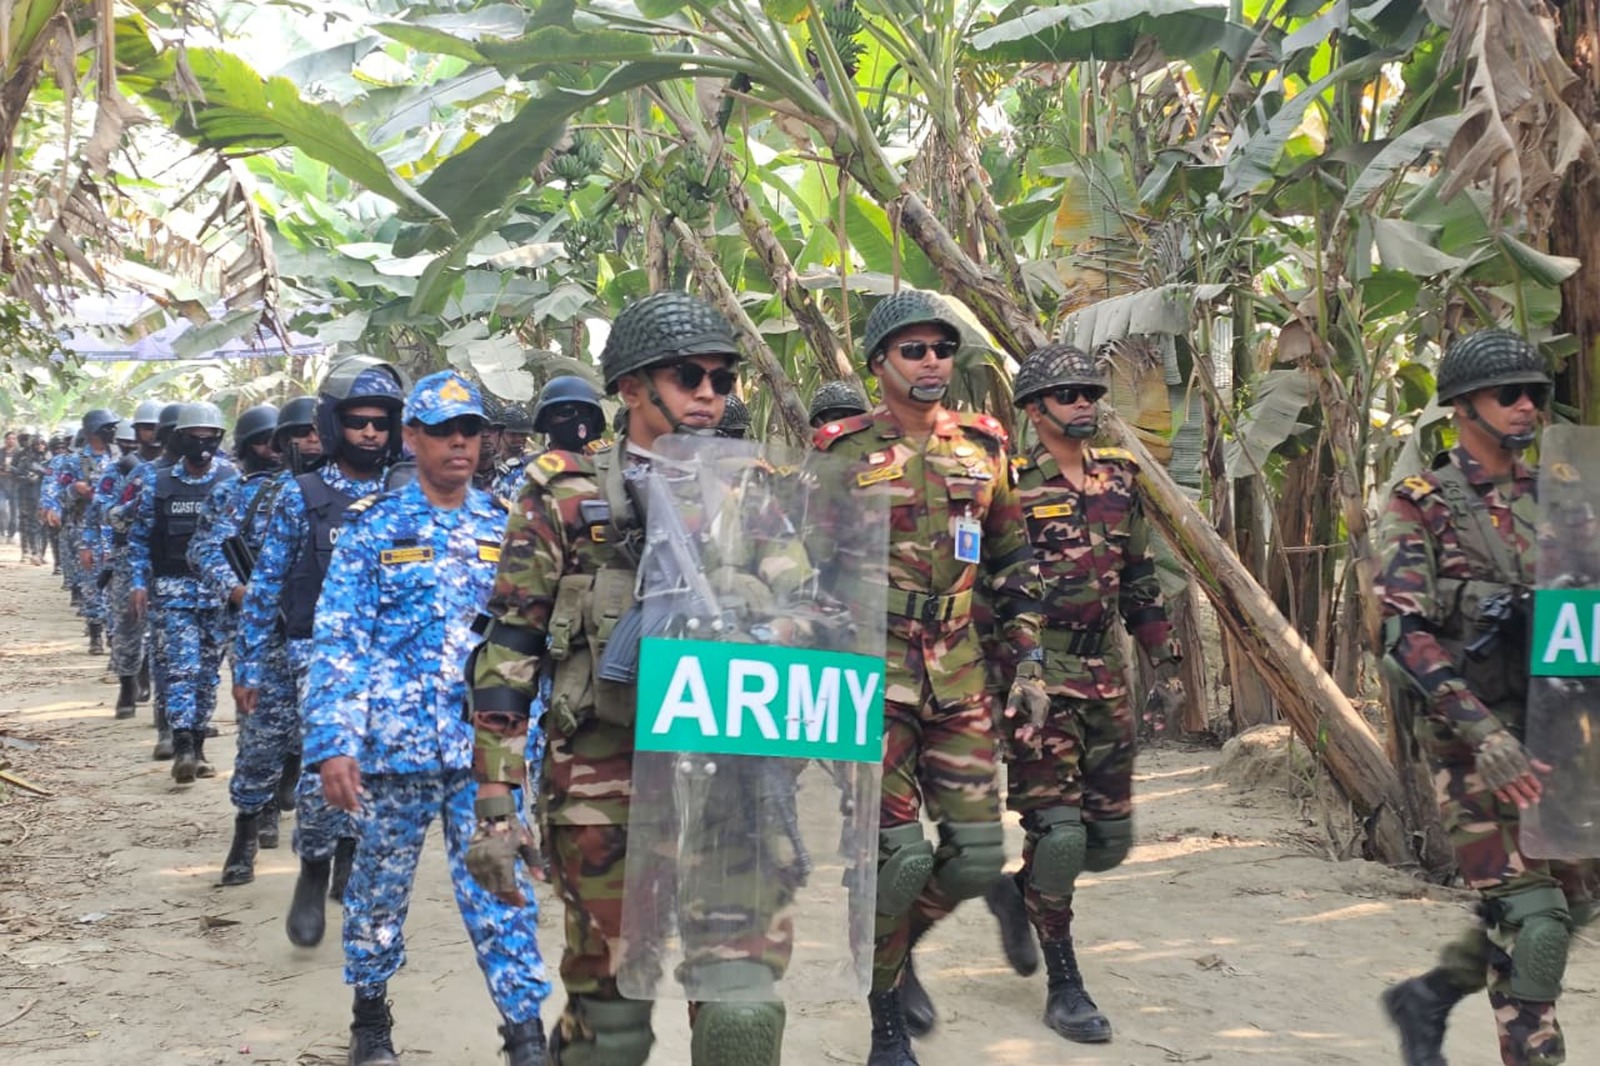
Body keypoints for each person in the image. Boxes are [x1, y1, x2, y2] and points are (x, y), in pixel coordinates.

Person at [466, 291, 801, 1066]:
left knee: (742, 1013)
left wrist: (767, 630)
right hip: (603, 779)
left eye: (723, 379)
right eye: (689, 376)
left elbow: (809, 608)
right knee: (610, 1017)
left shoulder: (748, 491)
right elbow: (508, 649)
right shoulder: (566, 493)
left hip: (730, 776)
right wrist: (495, 801)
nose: (711, 394)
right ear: (631, 390)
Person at [812, 288, 1046, 1066]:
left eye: (942, 349)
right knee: (895, 858)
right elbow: (798, 563)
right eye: (913, 350)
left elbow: (1011, 559)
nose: (932, 362)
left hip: (958, 671)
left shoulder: (983, 446)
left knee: (977, 853)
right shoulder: (841, 453)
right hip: (869, 674)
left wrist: (1029, 659)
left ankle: (898, 939)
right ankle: (886, 1024)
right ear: (879, 363)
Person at [304, 370, 549, 1066]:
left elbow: (531, 638)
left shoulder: (506, 527)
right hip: (392, 753)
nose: (459, 444)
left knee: (502, 891)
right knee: (377, 896)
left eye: (469, 430)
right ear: (412, 438)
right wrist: (333, 742)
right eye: (442, 431)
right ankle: (371, 1019)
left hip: (485, 755)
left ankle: (524, 1034)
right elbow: (342, 639)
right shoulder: (372, 528)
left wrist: (536, 736)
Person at [1379, 328, 1592, 1066]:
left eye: (1536, 392)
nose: (1527, 405)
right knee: (1533, 923)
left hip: (1557, 732)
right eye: (1510, 394)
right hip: (1469, 739)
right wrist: (1485, 736)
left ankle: (1431, 994)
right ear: (1463, 407)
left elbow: (1583, 615)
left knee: (1573, 898)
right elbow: (1406, 635)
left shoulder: (1562, 496)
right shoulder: (1422, 504)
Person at [968, 342, 1185, 1045]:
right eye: (1069, 395)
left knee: (1106, 839)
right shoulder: (1005, 484)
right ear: (1035, 410)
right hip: (1033, 681)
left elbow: (1141, 579)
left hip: (1105, 679)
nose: (1085, 403)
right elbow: (983, 589)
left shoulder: (1121, 480)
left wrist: (1166, 666)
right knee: (1059, 832)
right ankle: (1066, 985)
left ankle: (1017, 891)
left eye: (1092, 392)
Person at [235, 359, 403, 947]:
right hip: (317, 655)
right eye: (358, 422)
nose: (371, 434)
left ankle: (350, 861)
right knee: (322, 772)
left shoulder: (406, 497)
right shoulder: (298, 495)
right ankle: (312, 867)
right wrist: (249, 663)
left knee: (379, 775)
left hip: (391, 657)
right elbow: (266, 585)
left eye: (381, 423)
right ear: (334, 425)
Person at [188, 403, 289, 882]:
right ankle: (247, 829)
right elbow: (204, 548)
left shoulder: (310, 491)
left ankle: (281, 801)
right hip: (256, 630)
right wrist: (235, 588)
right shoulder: (231, 494)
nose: (275, 450)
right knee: (259, 735)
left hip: (313, 627)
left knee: (311, 734)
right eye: (265, 441)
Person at [127, 402, 233, 783]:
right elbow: (139, 539)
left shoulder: (230, 480)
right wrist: (139, 583)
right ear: (179, 439)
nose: (202, 445)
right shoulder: (157, 482)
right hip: (172, 593)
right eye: (194, 438)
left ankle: (199, 743)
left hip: (218, 595)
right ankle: (183, 744)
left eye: (210, 438)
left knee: (207, 675)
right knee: (182, 669)